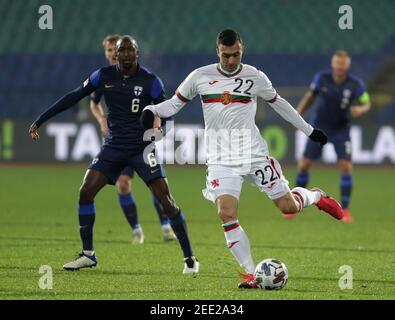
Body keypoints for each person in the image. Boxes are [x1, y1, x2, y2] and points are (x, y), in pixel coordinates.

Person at [141, 29, 343, 288]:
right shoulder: (200, 76)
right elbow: (173, 104)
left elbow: (279, 103)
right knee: (226, 213)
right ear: (218, 51)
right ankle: (251, 273)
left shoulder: (254, 76)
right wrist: (151, 110)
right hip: (220, 159)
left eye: (236, 54)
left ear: (242, 49)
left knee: (288, 207)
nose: (232, 60)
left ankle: (315, 196)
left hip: (253, 155)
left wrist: (309, 130)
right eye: (226, 55)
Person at [28, 35, 199, 274]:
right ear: (115, 54)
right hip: (113, 147)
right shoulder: (103, 76)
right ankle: (88, 254)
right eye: (122, 50)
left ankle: (189, 258)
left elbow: (168, 112)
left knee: (166, 202)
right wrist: (40, 120)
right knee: (86, 191)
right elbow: (74, 96)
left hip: (142, 148)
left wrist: (160, 132)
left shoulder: (151, 81)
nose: (126, 54)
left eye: (131, 50)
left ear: (137, 53)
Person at [90, 34, 176, 243]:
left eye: (115, 50)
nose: (112, 54)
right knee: (123, 184)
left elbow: (157, 105)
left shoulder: (142, 77)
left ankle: (166, 226)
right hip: (118, 142)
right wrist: (102, 120)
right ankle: (137, 230)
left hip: (140, 141)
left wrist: (156, 125)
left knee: (155, 186)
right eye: (109, 51)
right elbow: (93, 102)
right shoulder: (105, 78)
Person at [292, 51, 371, 222]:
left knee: (346, 167)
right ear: (332, 64)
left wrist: (361, 109)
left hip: (341, 129)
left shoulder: (356, 85)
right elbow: (310, 97)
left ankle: (346, 209)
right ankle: (295, 203)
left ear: (347, 66)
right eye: (337, 63)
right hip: (320, 127)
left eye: (343, 64)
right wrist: (297, 114)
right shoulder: (322, 79)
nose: (339, 66)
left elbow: (366, 102)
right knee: (304, 164)